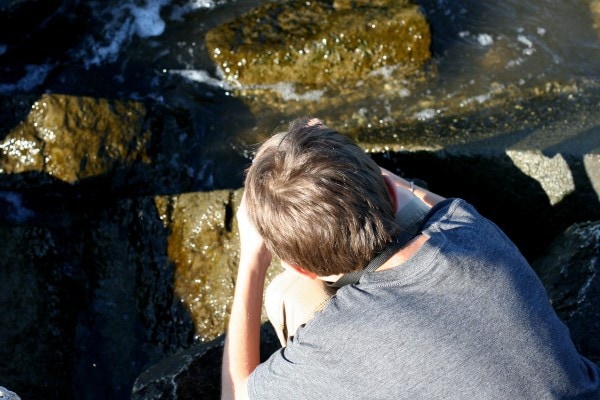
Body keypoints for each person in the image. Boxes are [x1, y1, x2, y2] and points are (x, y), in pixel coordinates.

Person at [221, 117, 600, 400]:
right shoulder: (470, 232)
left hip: (337, 325)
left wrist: (252, 258)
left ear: (300, 265)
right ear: (387, 185)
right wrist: (347, 162)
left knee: (286, 296)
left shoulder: (328, 345)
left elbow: (237, 393)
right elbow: (423, 205)